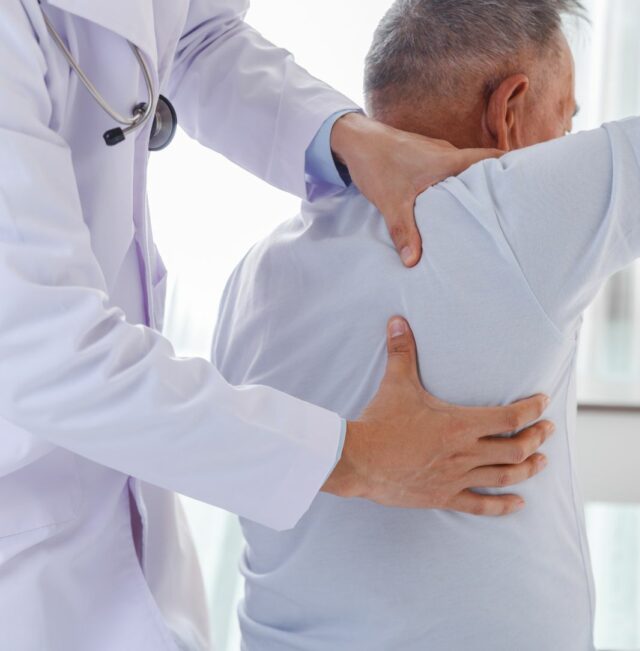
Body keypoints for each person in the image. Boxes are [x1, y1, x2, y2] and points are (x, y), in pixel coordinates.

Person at [212, 0, 640, 649]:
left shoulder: (255, 277)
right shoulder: (501, 213)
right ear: (509, 110)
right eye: (567, 116)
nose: (566, 139)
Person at [0, 2, 560, 650]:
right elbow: (44, 351)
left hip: (118, 507)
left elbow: (196, 36)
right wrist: (355, 456)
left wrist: (346, 136)